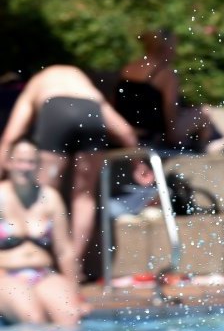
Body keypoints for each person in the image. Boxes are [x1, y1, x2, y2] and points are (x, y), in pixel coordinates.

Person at [0, 65, 138, 258]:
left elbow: (12, 134)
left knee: (43, 193)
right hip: (91, 113)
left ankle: (42, 260)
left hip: (56, 111)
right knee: (85, 196)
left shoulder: (37, 83)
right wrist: (138, 164)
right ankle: (73, 264)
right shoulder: (85, 88)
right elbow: (124, 131)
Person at [0, 139, 87, 325]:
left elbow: (65, 252)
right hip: (5, 274)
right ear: (8, 162)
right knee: (33, 318)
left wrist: (76, 295)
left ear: (39, 165)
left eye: (31, 162)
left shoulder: (50, 198)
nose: (25, 167)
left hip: (42, 274)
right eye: (20, 161)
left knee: (71, 317)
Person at [114, 29, 224, 153]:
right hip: (155, 135)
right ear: (166, 49)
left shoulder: (127, 69)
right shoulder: (166, 75)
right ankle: (204, 151)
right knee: (204, 113)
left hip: (130, 130)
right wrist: (177, 136)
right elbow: (170, 113)